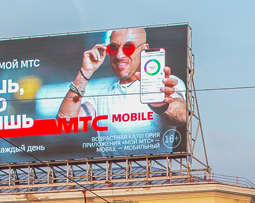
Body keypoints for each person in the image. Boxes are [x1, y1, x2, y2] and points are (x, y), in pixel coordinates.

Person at [56, 27, 188, 156]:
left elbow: (182, 116)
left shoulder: (165, 83)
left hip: (155, 174)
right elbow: (65, 123)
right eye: (113, 48)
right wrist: (84, 74)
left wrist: (161, 103)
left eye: (128, 48)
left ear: (144, 49)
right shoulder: (102, 96)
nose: (119, 55)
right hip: (113, 177)